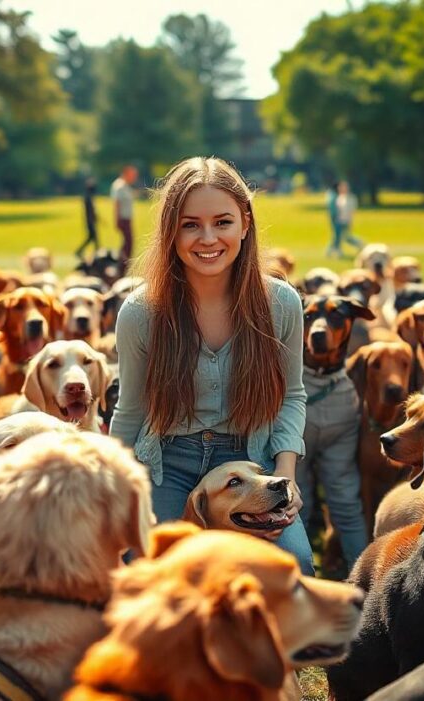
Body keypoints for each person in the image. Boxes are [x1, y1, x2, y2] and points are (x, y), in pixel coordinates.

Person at [110, 156, 314, 574]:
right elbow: (129, 410)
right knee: (148, 574)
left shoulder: (281, 304)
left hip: (248, 461)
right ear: (171, 232)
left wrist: (285, 473)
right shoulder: (141, 312)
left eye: (222, 222)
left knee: (293, 565)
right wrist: (114, 493)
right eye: (190, 224)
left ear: (245, 224)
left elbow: (291, 395)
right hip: (166, 464)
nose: (207, 238)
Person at [111, 165, 138, 260]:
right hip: (123, 218)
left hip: (127, 218)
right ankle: (122, 263)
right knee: (128, 242)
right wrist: (117, 219)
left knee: (128, 242)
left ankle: (123, 262)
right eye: (133, 175)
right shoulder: (119, 186)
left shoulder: (126, 186)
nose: (134, 178)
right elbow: (116, 203)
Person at [330, 180, 363, 258]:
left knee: (347, 237)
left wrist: (349, 220)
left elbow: (351, 210)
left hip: (345, 220)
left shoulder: (351, 198)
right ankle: (336, 251)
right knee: (337, 236)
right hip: (338, 220)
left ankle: (360, 244)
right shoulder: (339, 198)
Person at [75, 177, 99, 259]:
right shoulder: (88, 197)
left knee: (92, 238)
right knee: (93, 237)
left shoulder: (89, 196)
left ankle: (96, 251)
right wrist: (92, 220)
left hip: (91, 221)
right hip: (90, 221)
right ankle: (97, 252)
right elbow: (89, 211)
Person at [325, 180, 342, 258]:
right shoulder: (333, 196)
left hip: (335, 218)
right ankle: (334, 251)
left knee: (337, 236)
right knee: (336, 236)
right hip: (335, 218)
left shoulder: (332, 195)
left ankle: (332, 251)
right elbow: (333, 208)